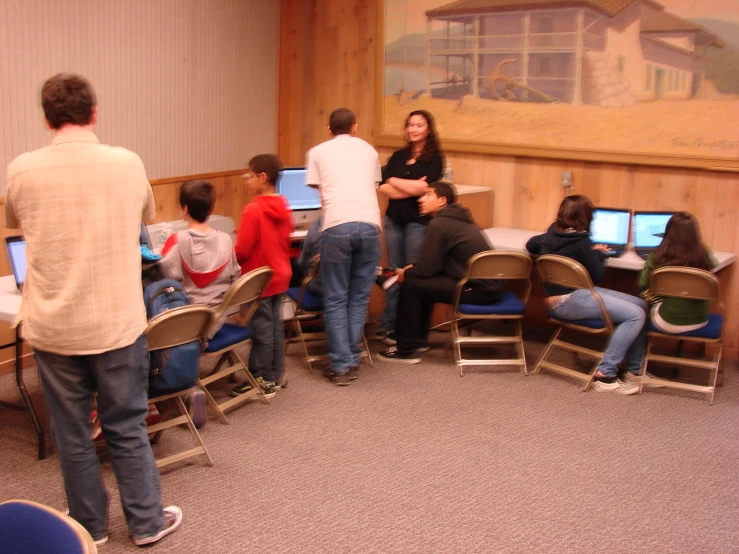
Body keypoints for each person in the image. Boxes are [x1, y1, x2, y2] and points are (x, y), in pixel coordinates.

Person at [4, 73, 180, 546]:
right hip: (116, 323)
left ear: (46, 117)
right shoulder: (127, 163)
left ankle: (89, 527)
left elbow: (14, 222)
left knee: (73, 432)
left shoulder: (21, 169)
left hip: (53, 326)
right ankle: (145, 523)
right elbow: (145, 215)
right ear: (94, 113)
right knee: (126, 424)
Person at [525, 195, 647, 395]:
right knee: (635, 315)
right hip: (571, 301)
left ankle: (634, 370)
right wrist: (597, 254)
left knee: (641, 304)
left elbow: (531, 245)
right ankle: (605, 375)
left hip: (563, 297)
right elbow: (598, 275)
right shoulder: (581, 241)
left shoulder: (551, 233)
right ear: (586, 217)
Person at [378, 182, 503, 363]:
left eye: (427, 195)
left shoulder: (439, 224)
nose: (420, 199)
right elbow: (435, 263)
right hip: (487, 286)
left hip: (477, 289)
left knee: (412, 284)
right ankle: (417, 341)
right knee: (419, 282)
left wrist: (405, 274)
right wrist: (411, 268)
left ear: (442, 200)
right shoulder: (459, 219)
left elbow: (427, 269)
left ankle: (405, 349)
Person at [306, 108, 382, 385]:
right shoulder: (369, 151)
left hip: (338, 225)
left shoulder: (317, 152)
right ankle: (351, 357)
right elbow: (372, 186)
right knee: (359, 297)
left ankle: (340, 366)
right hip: (371, 224)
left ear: (329, 129)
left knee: (336, 298)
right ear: (355, 127)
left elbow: (323, 195)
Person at [376, 110, 445, 344]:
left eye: (419, 125)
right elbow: (382, 187)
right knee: (394, 273)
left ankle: (410, 330)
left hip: (418, 222)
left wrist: (394, 181)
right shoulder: (398, 155)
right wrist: (410, 185)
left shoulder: (434, 158)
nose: (413, 129)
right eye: (410, 125)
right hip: (393, 220)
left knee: (411, 274)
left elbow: (425, 190)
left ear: (428, 129)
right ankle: (388, 325)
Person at [231, 154, 294, 397]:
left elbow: (243, 250)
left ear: (262, 177)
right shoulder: (284, 205)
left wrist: (231, 257)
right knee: (275, 328)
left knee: (261, 331)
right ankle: (276, 376)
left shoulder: (254, 209)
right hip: (281, 274)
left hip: (260, 278)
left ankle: (261, 379)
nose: (247, 181)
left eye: (250, 175)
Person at [159, 179, 241, 337]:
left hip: (185, 323)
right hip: (216, 320)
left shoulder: (176, 241)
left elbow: (163, 278)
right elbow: (235, 276)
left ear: (184, 209)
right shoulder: (226, 240)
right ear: (211, 209)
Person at [638, 211, 718, 334]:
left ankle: (640, 348)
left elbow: (642, 282)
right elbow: (714, 265)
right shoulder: (703, 253)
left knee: (642, 292)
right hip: (701, 319)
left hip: (668, 322)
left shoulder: (658, 255)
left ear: (668, 231)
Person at [297, 214, 324, 297]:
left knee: (298, 263)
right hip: (349, 288)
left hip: (320, 287)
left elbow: (303, 262)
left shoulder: (317, 225)